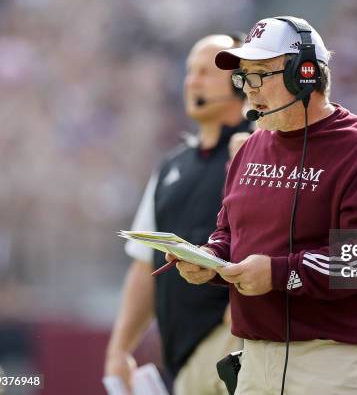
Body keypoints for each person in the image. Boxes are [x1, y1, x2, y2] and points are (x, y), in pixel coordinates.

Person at [169, 16, 357, 394]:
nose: (249, 89)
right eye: (244, 77)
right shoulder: (250, 146)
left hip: (336, 357)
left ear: (305, 74)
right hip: (255, 356)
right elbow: (229, 233)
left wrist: (278, 273)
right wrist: (208, 261)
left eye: (261, 74)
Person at [104, 34, 250, 394]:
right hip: (184, 360)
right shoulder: (171, 166)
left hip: (236, 344)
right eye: (189, 71)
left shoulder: (260, 150)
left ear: (238, 80)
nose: (192, 81)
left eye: (205, 71)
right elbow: (144, 265)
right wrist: (119, 348)